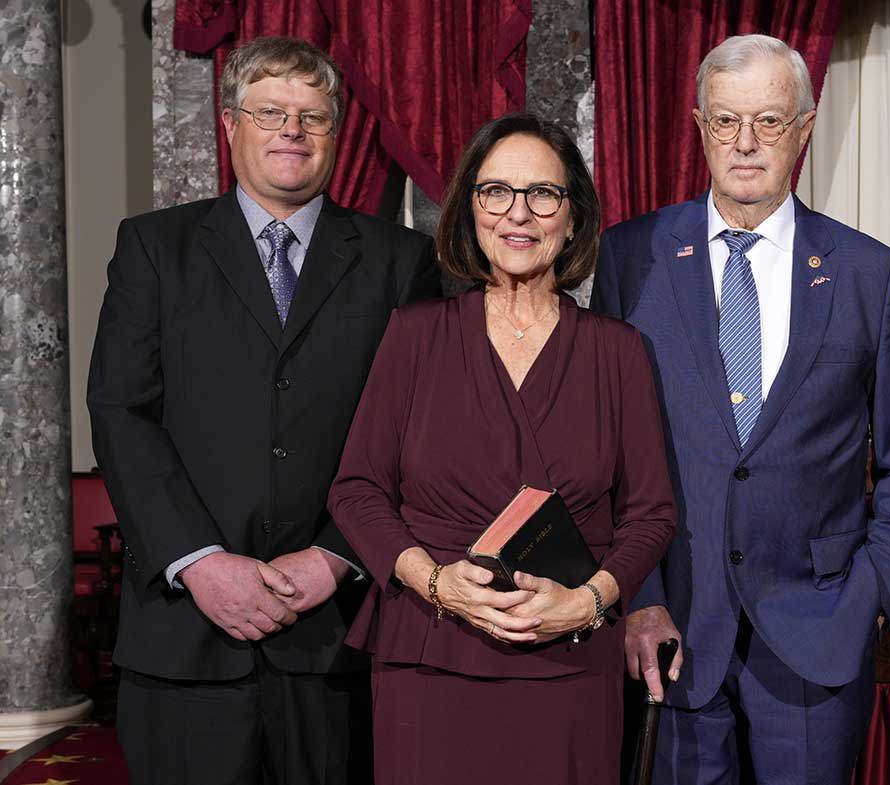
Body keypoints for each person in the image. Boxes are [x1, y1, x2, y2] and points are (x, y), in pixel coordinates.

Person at [87, 36, 440, 785]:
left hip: (337, 635)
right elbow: (121, 411)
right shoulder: (156, 248)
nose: (292, 130)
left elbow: (420, 431)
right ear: (229, 124)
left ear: (336, 135)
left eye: (313, 117)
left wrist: (338, 553)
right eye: (271, 111)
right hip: (184, 636)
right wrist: (201, 563)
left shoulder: (400, 261)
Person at [591, 34, 890, 784]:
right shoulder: (632, 257)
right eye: (726, 121)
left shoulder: (867, 273)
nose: (745, 144)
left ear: (805, 129)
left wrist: (876, 587)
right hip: (672, 626)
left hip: (819, 631)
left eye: (770, 122)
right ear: (699, 125)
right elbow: (606, 449)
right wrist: (637, 597)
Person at [327, 111, 676, 785]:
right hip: (431, 650)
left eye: (543, 193)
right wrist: (435, 582)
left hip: (567, 661)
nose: (519, 213)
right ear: (469, 210)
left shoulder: (620, 352)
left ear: (572, 217)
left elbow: (652, 511)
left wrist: (591, 602)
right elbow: (356, 488)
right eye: (496, 192)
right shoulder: (414, 334)